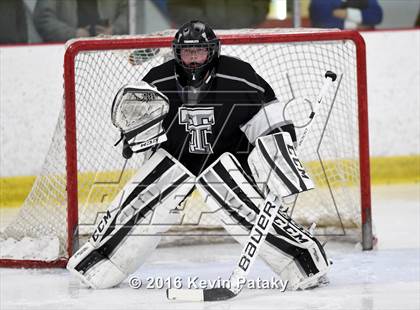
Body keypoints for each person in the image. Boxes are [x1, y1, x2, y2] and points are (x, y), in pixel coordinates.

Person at [66, 21, 330, 292]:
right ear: (176, 53)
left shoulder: (239, 75)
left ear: (212, 52)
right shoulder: (159, 78)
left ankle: (304, 261)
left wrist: (280, 155)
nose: (193, 59)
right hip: (174, 162)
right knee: (137, 204)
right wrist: (134, 135)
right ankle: (99, 263)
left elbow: (269, 119)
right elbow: (139, 120)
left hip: (228, 163)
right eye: (187, 53)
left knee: (248, 212)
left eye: (199, 52)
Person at [33, 0, 128, 42]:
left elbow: (134, 12)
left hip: (110, 52)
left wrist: (114, 30)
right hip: (64, 54)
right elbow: (42, 19)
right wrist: (73, 34)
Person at [310, 0, 383, 29]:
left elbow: (377, 15)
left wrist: (347, 13)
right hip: (330, 45)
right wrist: (356, 25)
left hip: (366, 40)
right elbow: (321, 23)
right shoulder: (319, 2)